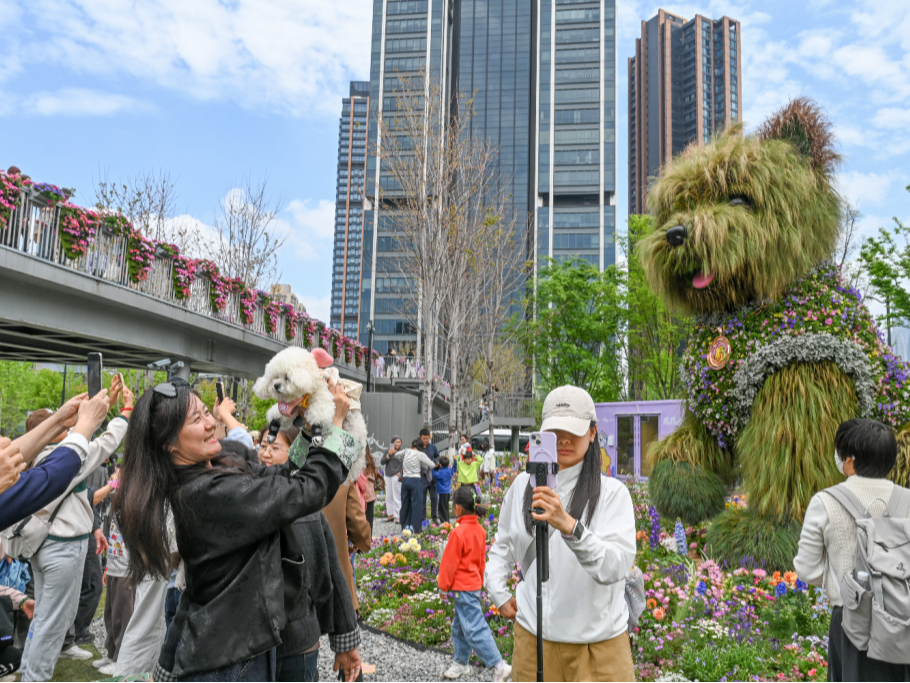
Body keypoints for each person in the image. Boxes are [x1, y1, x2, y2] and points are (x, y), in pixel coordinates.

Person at [115, 375, 361, 682]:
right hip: (228, 663)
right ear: (169, 442)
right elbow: (306, 492)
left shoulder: (217, 464)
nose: (209, 423)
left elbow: (284, 474)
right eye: (196, 419)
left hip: (235, 648)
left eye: (207, 412)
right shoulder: (205, 493)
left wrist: (315, 425)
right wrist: (335, 425)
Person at [485, 385, 636, 682]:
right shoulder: (521, 488)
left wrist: (569, 525)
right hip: (533, 642)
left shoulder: (613, 494)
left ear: (593, 433)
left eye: (574, 430)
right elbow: (502, 545)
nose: (564, 439)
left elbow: (615, 566)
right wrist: (497, 591)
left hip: (598, 647)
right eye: (555, 430)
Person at [19, 382, 131, 681]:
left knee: (45, 616)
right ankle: (35, 677)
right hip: (61, 548)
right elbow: (104, 444)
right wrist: (126, 413)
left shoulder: (41, 458)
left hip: (47, 546)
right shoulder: (61, 459)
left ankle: (29, 671)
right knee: (54, 621)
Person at [794, 418, 910, 682]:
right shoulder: (907, 500)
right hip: (903, 620)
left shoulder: (825, 501)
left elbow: (806, 569)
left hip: (850, 618)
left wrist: (840, 579)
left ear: (849, 459)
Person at [259, 423, 362, 683]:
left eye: (275, 447)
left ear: (298, 453)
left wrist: (345, 640)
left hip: (293, 643)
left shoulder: (303, 508)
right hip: (272, 644)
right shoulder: (251, 495)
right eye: (263, 446)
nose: (266, 453)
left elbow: (328, 577)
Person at [438, 486, 511, 681]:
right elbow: (480, 561)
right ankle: (461, 663)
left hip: (462, 588)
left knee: (473, 627)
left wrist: (443, 586)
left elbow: (449, 564)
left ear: (458, 508)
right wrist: (479, 580)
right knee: (460, 627)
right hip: (473, 586)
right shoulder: (479, 529)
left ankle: (498, 664)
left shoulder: (458, 533)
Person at [399, 439, 437, 533]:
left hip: (405, 480)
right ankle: (416, 528)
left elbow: (396, 455)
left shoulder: (406, 451)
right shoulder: (420, 454)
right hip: (415, 480)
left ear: (412, 445)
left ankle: (404, 526)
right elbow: (431, 465)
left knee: (405, 504)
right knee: (416, 504)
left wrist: (403, 460)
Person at [380, 436, 404, 523]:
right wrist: (389, 454)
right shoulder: (388, 451)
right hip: (388, 475)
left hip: (396, 476)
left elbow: (405, 463)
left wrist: (401, 473)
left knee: (397, 496)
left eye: (399, 442)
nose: (398, 444)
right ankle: (390, 515)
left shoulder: (402, 452)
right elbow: (382, 461)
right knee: (388, 496)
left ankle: (398, 516)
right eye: (396, 442)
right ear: (392, 442)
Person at [420, 429, 441, 524]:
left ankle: (434, 517)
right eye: (423, 438)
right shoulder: (418, 448)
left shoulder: (433, 447)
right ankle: (422, 518)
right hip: (422, 477)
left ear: (429, 438)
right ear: (420, 437)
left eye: (427, 438)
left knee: (434, 498)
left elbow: (437, 456)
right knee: (422, 498)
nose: (425, 440)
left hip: (432, 477)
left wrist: (436, 462)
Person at [357, 447, 379, 533]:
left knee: (359, 522)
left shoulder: (357, 461)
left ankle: (359, 545)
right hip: (370, 494)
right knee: (368, 522)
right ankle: (367, 543)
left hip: (361, 495)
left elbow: (361, 483)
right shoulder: (370, 461)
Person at [434, 456, 456, 524]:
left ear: (440, 464)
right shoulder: (449, 471)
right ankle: (447, 520)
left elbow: (434, 474)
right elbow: (454, 469)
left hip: (441, 492)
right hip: (448, 491)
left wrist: (433, 468)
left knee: (441, 508)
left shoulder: (440, 472)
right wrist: (455, 461)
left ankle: (444, 522)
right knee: (445, 507)